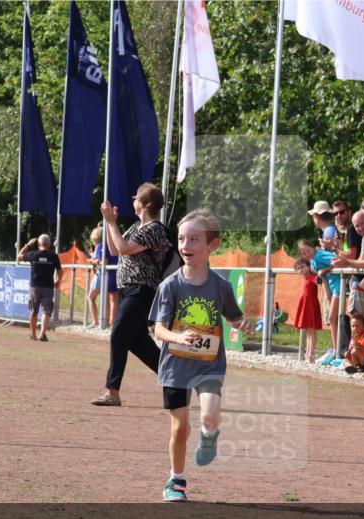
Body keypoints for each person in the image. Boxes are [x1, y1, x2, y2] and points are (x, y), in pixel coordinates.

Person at [150, 209, 251, 500]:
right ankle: (176, 481)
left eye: (194, 239)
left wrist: (240, 322)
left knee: (209, 417)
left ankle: (210, 436)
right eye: (181, 239)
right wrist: (178, 337)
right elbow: (158, 329)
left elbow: (233, 316)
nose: (186, 246)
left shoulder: (221, 286)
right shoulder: (170, 286)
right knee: (180, 427)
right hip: (176, 366)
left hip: (209, 365)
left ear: (212, 246)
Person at [92, 183, 170, 407]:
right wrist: (109, 224)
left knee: (118, 333)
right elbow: (115, 249)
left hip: (141, 288)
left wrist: (111, 222)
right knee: (138, 344)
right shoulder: (138, 226)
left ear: (146, 204)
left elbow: (124, 249)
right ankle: (177, 382)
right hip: (130, 290)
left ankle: (113, 391)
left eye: (137, 198)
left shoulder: (154, 229)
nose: (132, 200)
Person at [298, 239, 339, 362]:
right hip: (331, 288)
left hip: (338, 285)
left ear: (314, 247)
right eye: (304, 254)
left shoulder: (319, 255)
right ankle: (335, 349)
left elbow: (337, 261)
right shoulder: (314, 261)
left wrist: (324, 270)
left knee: (332, 318)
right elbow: (320, 275)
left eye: (308, 251)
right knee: (331, 319)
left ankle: (337, 350)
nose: (307, 255)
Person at [17, 234, 63, 341]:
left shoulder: (33, 254)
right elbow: (60, 271)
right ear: (49, 244)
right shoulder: (53, 256)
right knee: (47, 311)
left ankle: (33, 335)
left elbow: (19, 256)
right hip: (48, 287)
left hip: (35, 287)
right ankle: (42, 333)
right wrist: (58, 281)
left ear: (38, 244)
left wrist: (28, 245)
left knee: (34, 310)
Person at [332, 199, 362, 357]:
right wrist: (338, 247)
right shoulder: (346, 231)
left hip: (358, 277)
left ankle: (354, 352)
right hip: (353, 277)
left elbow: (351, 254)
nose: (339, 215)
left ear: (349, 212)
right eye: (336, 213)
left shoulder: (351, 230)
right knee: (353, 316)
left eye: (342, 212)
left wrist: (335, 250)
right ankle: (349, 351)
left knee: (356, 316)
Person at [292, 257, 323, 362]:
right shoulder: (305, 278)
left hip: (311, 304)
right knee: (308, 331)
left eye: (303, 267)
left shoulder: (312, 277)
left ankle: (311, 354)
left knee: (312, 330)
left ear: (309, 266)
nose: (301, 270)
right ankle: (308, 353)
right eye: (299, 268)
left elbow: (318, 281)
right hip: (305, 304)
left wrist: (317, 273)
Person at [88, 225, 119, 328]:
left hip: (108, 274)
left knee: (109, 298)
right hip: (115, 273)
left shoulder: (101, 246)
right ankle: (110, 322)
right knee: (113, 298)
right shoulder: (111, 244)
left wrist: (94, 261)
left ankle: (104, 322)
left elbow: (104, 261)